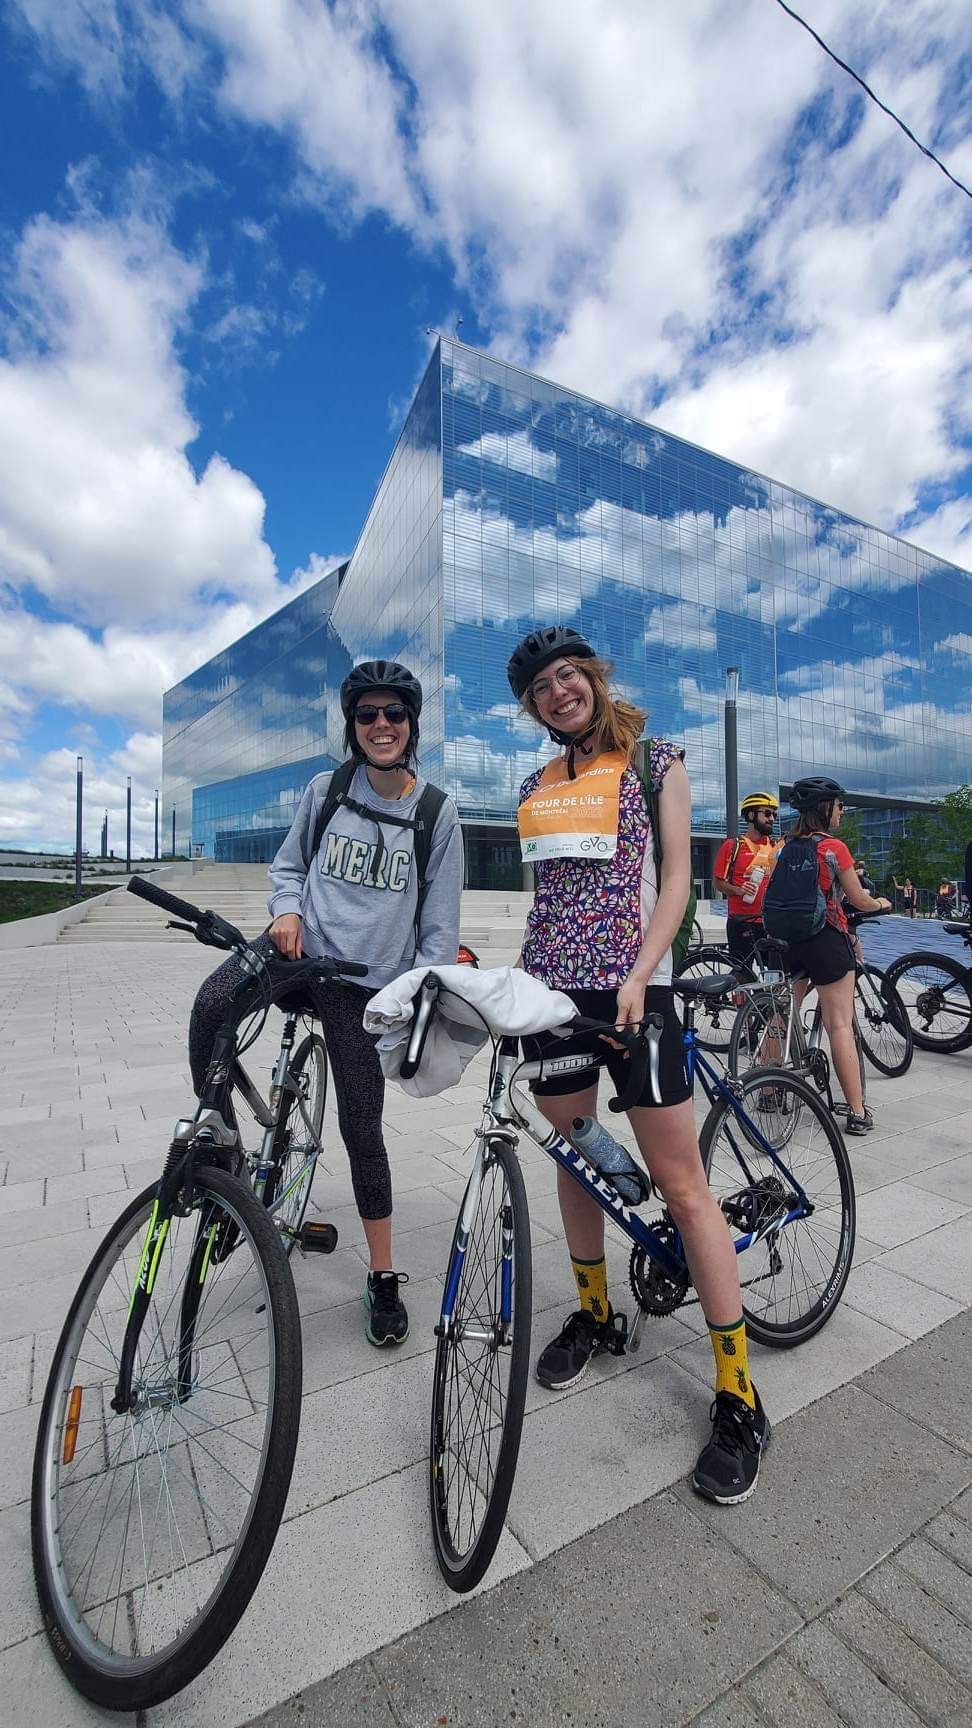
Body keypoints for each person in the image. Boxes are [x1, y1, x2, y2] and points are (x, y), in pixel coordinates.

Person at [507, 623, 771, 1505]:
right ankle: (595, 1314)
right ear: (534, 708)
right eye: (540, 688)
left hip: (634, 989)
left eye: (566, 676)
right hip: (554, 995)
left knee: (683, 1184)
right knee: (576, 1161)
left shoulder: (657, 762)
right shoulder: (537, 784)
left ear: (591, 675)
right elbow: (548, 898)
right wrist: (514, 985)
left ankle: (737, 1393)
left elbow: (678, 881)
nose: (557, 693)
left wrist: (641, 972)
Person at [188, 659, 463, 1346]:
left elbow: (439, 929)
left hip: (362, 983)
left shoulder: (436, 812)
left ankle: (382, 1274)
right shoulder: (327, 790)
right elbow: (288, 867)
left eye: (393, 714)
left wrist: (414, 997)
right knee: (211, 1005)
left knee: (361, 1127)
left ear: (411, 725)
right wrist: (285, 909)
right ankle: (226, 1154)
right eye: (367, 714)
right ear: (353, 725)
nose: (380, 724)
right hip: (297, 950)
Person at [781, 778, 891, 1135]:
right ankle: (857, 1112)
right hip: (826, 939)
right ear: (825, 807)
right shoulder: (833, 848)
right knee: (840, 1024)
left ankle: (766, 1091)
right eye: (840, 805)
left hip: (788, 940)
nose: (842, 811)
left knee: (783, 1014)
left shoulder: (784, 846)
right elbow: (859, 900)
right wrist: (880, 903)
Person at [712, 795, 780, 972]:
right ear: (751, 815)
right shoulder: (732, 846)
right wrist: (738, 890)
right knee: (742, 973)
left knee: (776, 974)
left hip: (770, 922)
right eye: (767, 813)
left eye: (774, 815)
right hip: (741, 922)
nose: (772, 819)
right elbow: (718, 883)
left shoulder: (776, 847)